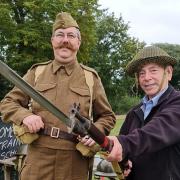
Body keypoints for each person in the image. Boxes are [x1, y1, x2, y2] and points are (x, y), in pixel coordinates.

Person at [0, 12, 116, 180]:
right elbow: (8, 103)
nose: (65, 40)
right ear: (52, 41)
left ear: (78, 42)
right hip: (38, 158)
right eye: (60, 35)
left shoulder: (91, 78)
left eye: (71, 35)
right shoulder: (36, 73)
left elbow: (107, 116)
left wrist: (95, 133)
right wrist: (25, 116)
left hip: (75, 160)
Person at [106, 46, 180, 180]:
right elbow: (124, 150)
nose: (146, 78)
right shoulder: (134, 112)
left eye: (153, 71)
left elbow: (156, 132)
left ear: (168, 73)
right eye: (141, 73)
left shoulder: (177, 103)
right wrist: (123, 163)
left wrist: (124, 144)